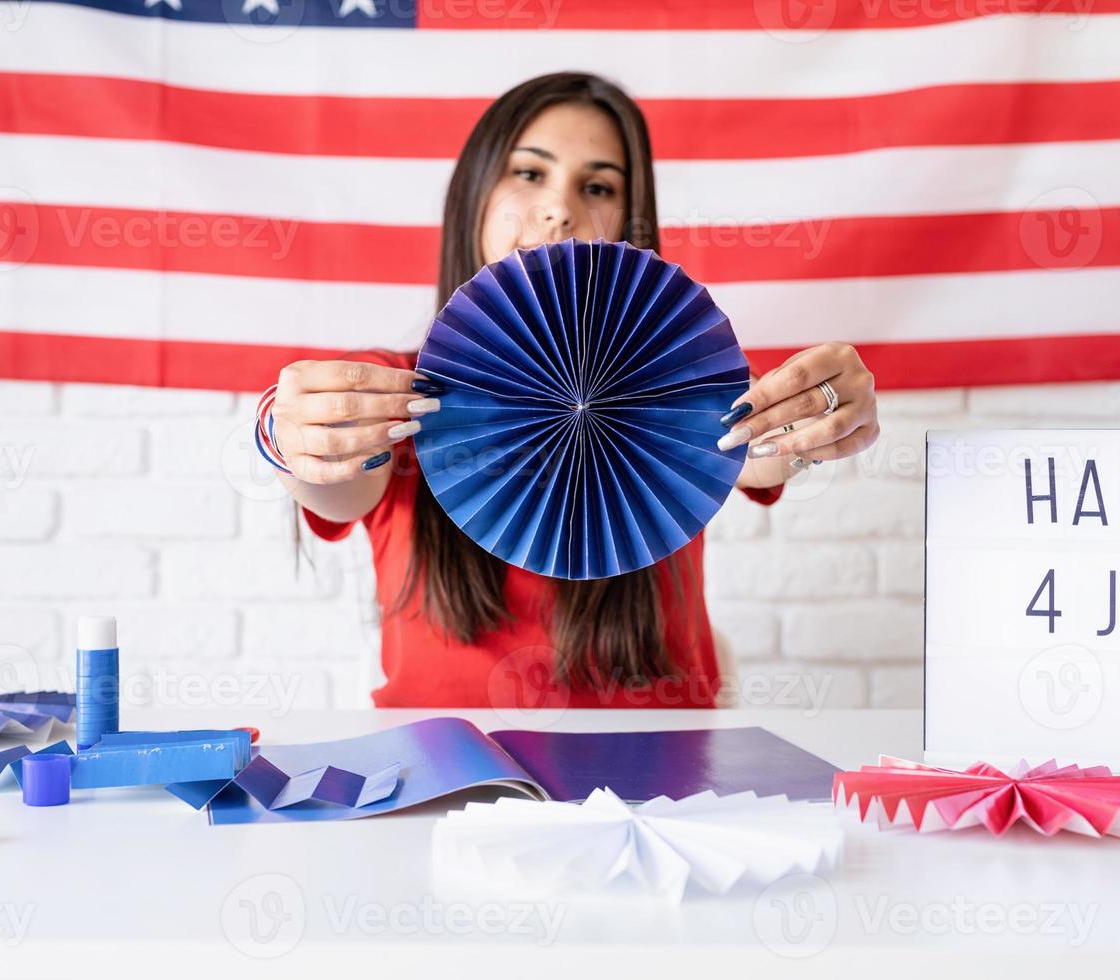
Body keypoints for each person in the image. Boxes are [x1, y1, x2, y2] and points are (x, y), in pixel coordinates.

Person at [259, 72, 878, 708]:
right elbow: (336, 484)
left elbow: (760, 451)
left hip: (664, 778)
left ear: (629, 227)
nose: (560, 208)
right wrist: (286, 432)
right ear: (473, 194)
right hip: (448, 778)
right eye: (529, 173)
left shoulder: (684, 387)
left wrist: (819, 418)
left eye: (598, 186)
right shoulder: (400, 386)